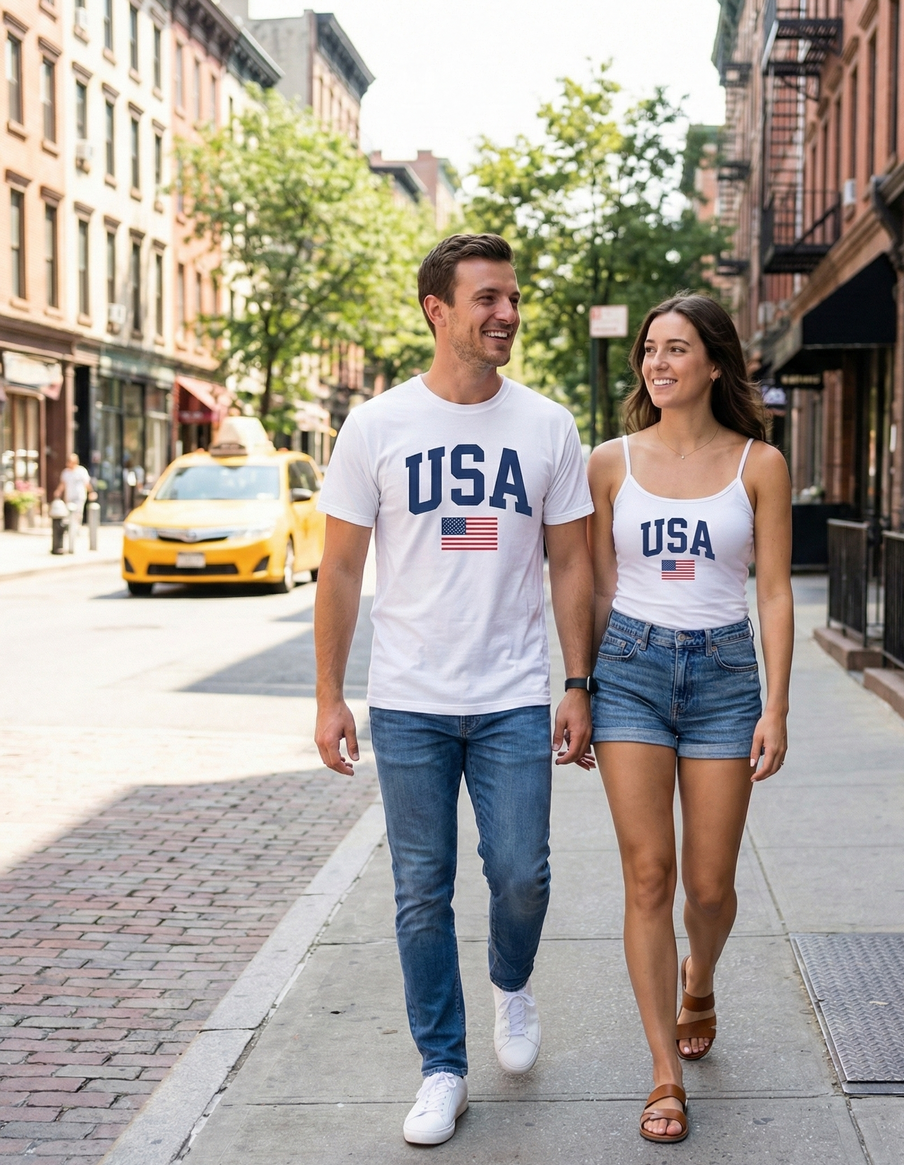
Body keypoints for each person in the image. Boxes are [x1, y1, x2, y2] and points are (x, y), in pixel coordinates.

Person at [313, 234, 595, 1147]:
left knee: (521, 873)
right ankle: (443, 1066)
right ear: (438, 310)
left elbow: (571, 567)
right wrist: (329, 693)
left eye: (512, 297)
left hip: (513, 692)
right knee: (418, 890)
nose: (506, 312)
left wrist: (578, 680)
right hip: (408, 701)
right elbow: (343, 570)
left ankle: (511, 985)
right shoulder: (377, 427)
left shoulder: (547, 426)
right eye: (487, 299)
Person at [586, 292, 793, 1144]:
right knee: (648, 875)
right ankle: (664, 1075)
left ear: (714, 361)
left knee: (709, 886)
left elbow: (774, 593)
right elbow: (596, 587)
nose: (658, 364)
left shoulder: (760, 464)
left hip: (723, 674)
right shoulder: (608, 462)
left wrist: (776, 703)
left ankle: (699, 972)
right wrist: (582, 686)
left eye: (676, 349)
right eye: (648, 351)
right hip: (630, 669)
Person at [53, 455, 96, 552]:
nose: (68, 463)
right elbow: (63, 484)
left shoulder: (81, 471)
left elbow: (87, 483)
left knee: (77, 513)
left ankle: (76, 529)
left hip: (79, 496)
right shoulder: (65, 472)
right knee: (69, 513)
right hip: (69, 496)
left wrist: (91, 492)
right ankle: (71, 529)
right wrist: (58, 491)